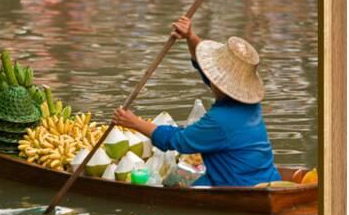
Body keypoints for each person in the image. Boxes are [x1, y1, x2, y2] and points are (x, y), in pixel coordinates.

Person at [112, 15, 281, 186]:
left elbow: (177, 140)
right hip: (269, 178)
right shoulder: (251, 106)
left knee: (173, 182)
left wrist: (133, 122)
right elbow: (208, 73)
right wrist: (190, 37)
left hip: (237, 185)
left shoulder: (219, 119)